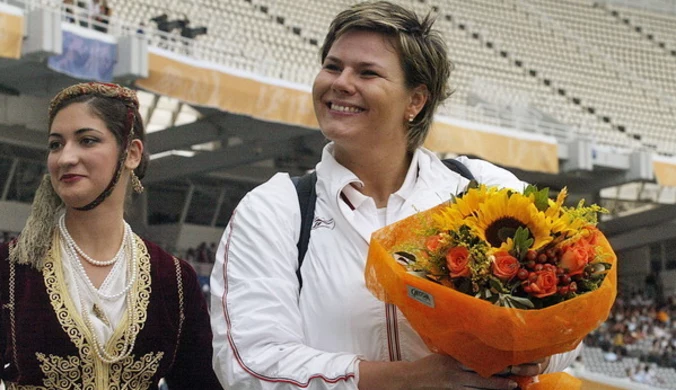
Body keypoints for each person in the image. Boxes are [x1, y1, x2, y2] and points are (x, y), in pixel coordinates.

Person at [210, 2, 581, 389]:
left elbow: (569, 323)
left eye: (367, 72)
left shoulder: (484, 188)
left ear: (416, 101)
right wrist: (408, 380)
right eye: (333, 66)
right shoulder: (275, 208)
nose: (340, 82)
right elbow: (249, 365)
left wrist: (530, 355)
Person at [0, 82, 222, 389]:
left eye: (87, 141)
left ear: (131, 153)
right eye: (55, 144)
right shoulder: (10, 269)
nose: (65, 158)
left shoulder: (174, 280)